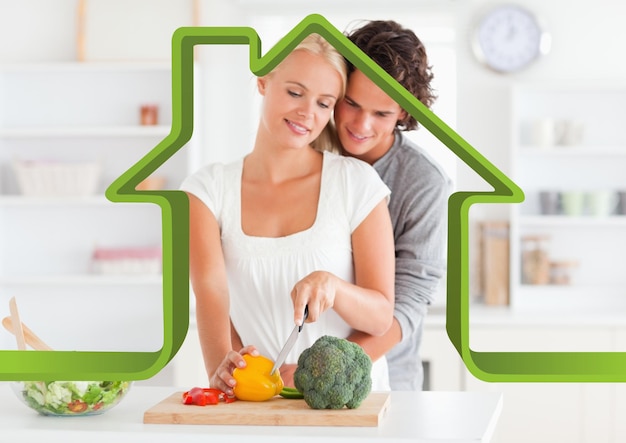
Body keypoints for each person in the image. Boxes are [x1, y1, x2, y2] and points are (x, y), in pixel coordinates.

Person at [180, 33, 396, 395]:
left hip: (354, 409)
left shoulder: (355, 183)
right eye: (295, 93)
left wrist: (334, 286)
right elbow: (211, 296)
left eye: (324, 103)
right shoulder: (208, 190)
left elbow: (380, 317)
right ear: (263, 82)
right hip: (261, 403)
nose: (307, 113)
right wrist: (227, 375)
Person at [335, 20, 451, 390]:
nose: (360, 124)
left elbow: (411, 299)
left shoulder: (423, 181)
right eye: (350, 103)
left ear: (403, 112)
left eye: (381, 114)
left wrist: (327, 367)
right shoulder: (305, 154)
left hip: (387, 379)